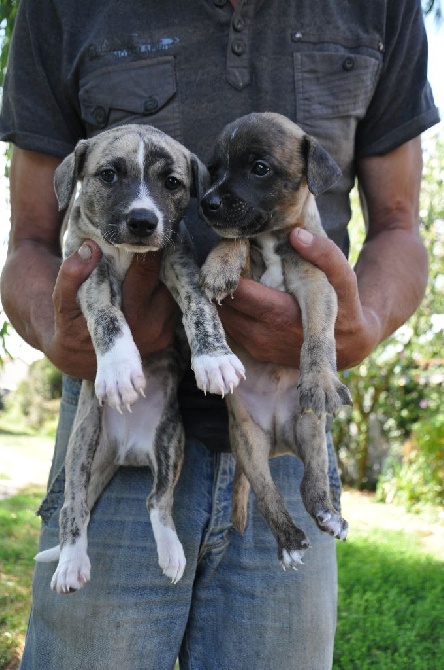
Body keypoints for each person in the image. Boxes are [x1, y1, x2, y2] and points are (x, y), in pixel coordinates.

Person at [0, 1, 439, 668]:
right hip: (118, 407)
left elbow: (401, 224)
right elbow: (31, 236)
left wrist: (356, 327)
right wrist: (60, 335)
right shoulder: (62, 8)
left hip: (288, 414)